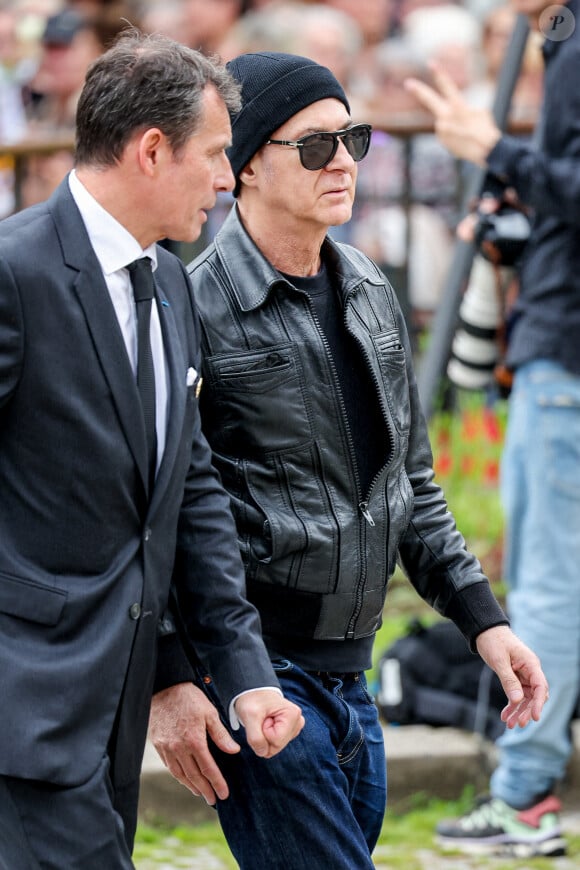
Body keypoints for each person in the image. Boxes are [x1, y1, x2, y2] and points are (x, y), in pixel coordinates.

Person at [149, 51, 549, 870]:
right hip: (258, 676)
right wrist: (174, 676)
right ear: (247, 163)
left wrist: (485, 619)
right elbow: (159, 511)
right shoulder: (193, 306)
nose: (343, 162)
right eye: (313, 145)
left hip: (353, 681)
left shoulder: (368, 287)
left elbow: (410, 484)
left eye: (353, 139)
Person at [0, 31, 304, 870]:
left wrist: (241, 672)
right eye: (214, 155)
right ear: (151, 149)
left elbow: (189, 485)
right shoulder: (13, 272)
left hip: (115, 711)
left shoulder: (169, 279)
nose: (223, 177)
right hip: (21, 708)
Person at [405, 0, 580, 857]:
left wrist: (496, 151)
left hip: (566, 359)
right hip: (559, 346)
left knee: (550, 583)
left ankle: (524, 795)